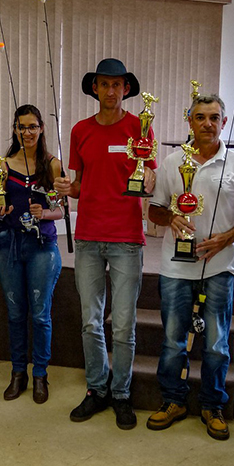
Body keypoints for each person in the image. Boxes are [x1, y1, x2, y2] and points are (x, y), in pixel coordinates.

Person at [146, 93, 234, 440]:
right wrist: (173, 217)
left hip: (221, 266)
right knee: (171, 340)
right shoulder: (171, 162)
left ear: (223, 122)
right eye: (200, 117)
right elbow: (154, 210)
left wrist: (226, 238)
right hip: (176, 268)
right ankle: (173, 400)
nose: (207, 123)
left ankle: (212, 405)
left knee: (215, 344)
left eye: (214, 117)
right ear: (189, 121)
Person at [53, 58, 155, 430]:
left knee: (124, 325)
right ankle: (97, 389)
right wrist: (68, 188)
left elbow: (151, 178)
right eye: (104, 84)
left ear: (126, 89)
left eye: (117, 85)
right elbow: (80, 185)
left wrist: (148, 185)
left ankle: (122, 394)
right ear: (94, 88)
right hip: (89, 238)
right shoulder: (81, 130)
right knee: (91, 322)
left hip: (127, 238)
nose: (111, 91)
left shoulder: (140, 127)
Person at [0, 105, 64, 404]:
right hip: (9, 245)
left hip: (42, 247)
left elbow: (61, 211)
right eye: (21, 127)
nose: (27, 132)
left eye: (32, 126)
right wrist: (0, 210)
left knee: (41, 315)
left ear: (42, 128)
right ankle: (18, 372)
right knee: (16, 313)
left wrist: (45, 213)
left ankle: (40, 374)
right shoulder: (3, 166)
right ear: (14, 130)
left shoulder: (53, 164)